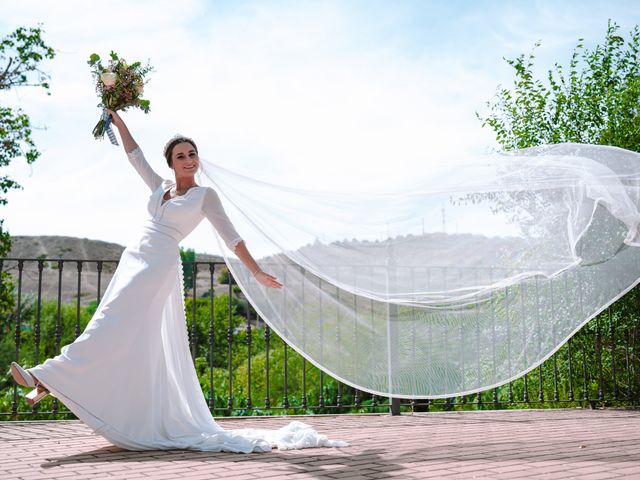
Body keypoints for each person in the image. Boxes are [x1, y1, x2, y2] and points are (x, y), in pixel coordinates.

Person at [10, 110, 347, 453]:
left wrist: (255, 271)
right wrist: (117, 119)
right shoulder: (161, 187)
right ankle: (50, 384)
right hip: (134, 260)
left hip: (157, 266)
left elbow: (232, 238)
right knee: (116, 329)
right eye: (180, 156)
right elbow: (134, 156)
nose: (188, 160)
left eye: (192, 154)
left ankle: (44, 376)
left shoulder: (204, 197)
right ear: (171, 163)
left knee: (110, 324)